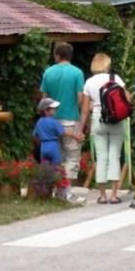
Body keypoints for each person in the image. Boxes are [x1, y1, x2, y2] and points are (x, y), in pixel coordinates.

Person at [82, 53, 130, 205]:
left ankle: (102, 195)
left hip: (98, 120)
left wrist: (80, 127)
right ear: (107, 64)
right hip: (116, 120)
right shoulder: (115, 79)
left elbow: (84, 110)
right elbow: (127, 99)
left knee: (101, 156)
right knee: (115, 156)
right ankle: (114, 194)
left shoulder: (89, 82)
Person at [39, 41, 86, 186]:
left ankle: (53, 186)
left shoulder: (48, 72)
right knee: (71, 156)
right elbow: (80, 97)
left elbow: (44, 98)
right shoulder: (77, 73)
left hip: (52, 120)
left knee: (55, 155)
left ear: (57, 55)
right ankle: (67, 188)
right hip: (71, 119)